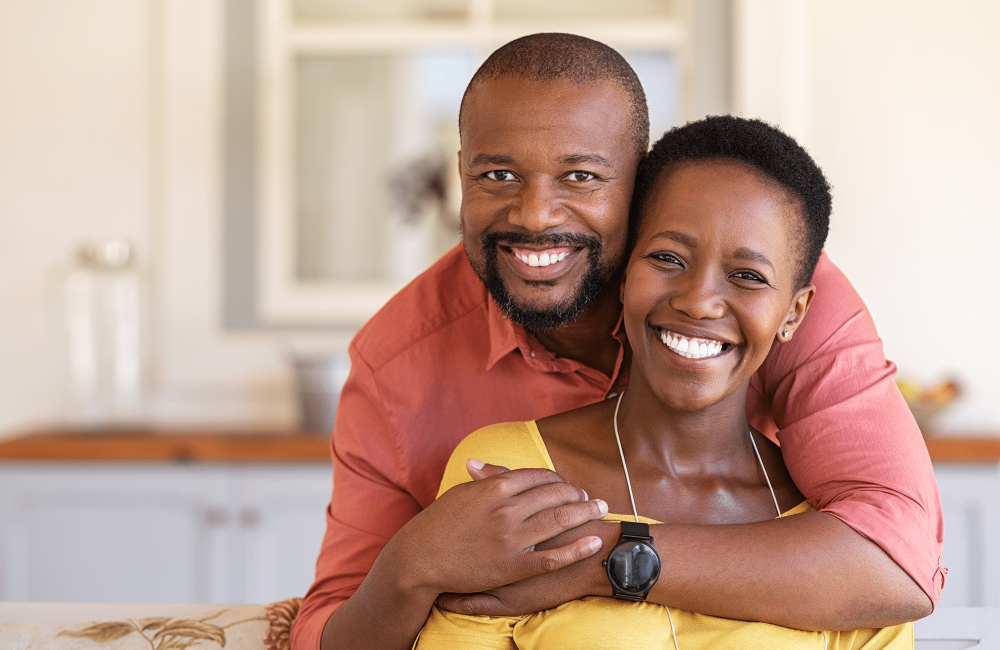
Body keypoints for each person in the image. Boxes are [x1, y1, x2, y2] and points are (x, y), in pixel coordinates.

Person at [291, 34, 942, 650]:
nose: (536, 214)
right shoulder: (399, 365)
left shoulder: (773, 297)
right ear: (461, 174)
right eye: (497, 175)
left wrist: (602, 557)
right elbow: (331, 628)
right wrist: (412, 565)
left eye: (581, 177)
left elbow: (897, 560)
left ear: (640, 183)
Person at [413, 114, 913, 650]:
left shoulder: (846, 558)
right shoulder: (514, 474)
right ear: (625, 273)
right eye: (667, 258)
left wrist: (606, 557)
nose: (698, 301)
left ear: (794, 313)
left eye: (747, 276)